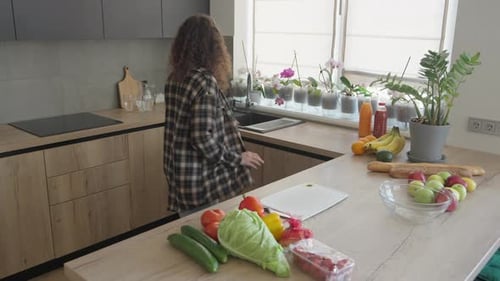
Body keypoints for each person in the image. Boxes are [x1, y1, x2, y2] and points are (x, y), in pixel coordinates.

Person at [163, 14, 264, 214]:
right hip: (200, 179)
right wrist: (238, 158)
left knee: (192, 230)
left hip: (179, 173)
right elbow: (202, 138)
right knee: (206, 230)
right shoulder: (204, 82)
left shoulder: (175, 78)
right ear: (213, 47)